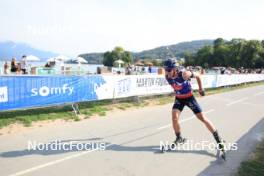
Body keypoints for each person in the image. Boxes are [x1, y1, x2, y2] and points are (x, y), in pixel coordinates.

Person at [163, 59, 225, 152]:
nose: (167, 72)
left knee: (202, 118)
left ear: (175, 69)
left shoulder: (184, 74)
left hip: (189, 98)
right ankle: (179, 138)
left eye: (169, 70)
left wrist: (201, 89)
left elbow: (198, 76)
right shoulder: (167, 77)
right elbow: (176, 86)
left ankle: (219, 140)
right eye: (166, 70)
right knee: (174, 117)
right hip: (179, 98)